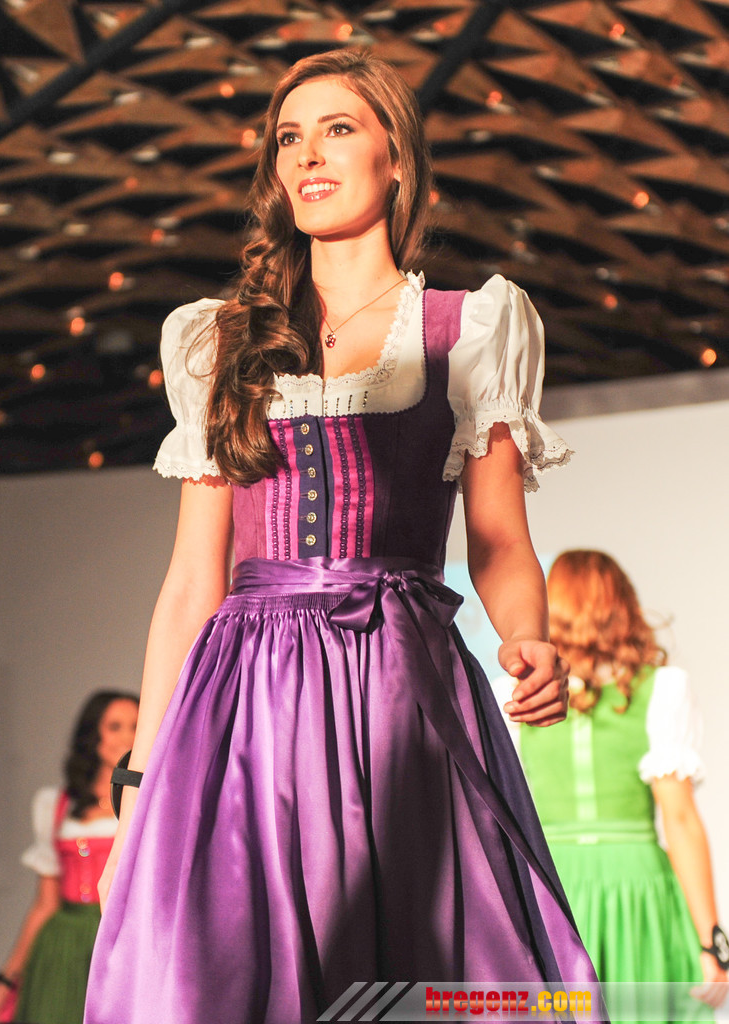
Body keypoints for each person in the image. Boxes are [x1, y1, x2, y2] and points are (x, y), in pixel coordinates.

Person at [84, 49, 601, 1024]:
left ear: (395, 157)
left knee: (418, 960)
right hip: (245, 702)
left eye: (337, 129)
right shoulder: (219, 340)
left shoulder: (468, 327)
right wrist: (142, 785)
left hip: (399, 689)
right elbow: (193, 578)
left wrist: (528, 637)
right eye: (289, 137)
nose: (307, 156)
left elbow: (497, 540)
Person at [496, 550, 727, 1020]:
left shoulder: (514, 695)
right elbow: (680, 819)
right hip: (638, 890)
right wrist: (713, 944)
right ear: (622, 604)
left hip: (553, 885)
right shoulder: (663, 688)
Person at [0, 690, 138, 1024]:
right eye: (114, 726)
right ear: (93, 735)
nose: (127, 737)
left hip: (122, 941)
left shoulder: (151, 804)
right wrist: (8, 978)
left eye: (136, 726)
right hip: (63, 948)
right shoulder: (57, 806)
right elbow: (45, 903)